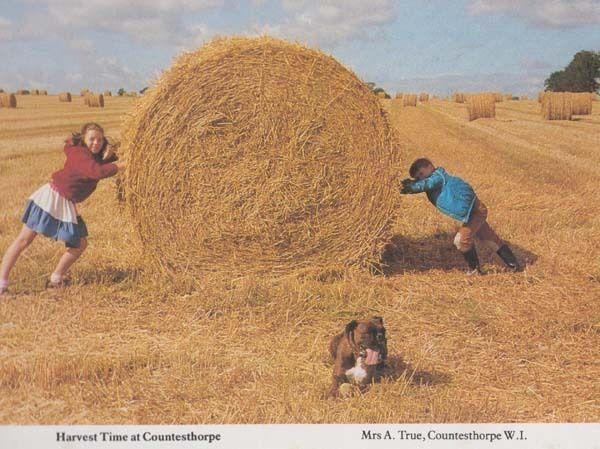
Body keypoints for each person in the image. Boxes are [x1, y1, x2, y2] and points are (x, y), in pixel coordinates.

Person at [0, 122, 124, 295]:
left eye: (100, 140)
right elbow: (96, 171)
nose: (96, 143)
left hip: (67, 203)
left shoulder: (93, 156)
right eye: (92, 139)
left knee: (79, 244)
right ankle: (2, 283)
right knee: (24, 240)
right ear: (83, 139)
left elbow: (103, 162)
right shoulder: (79, 153)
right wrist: (120, 166)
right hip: (52, 198)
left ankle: (56, 279)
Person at [400, 157, 520, 274]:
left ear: (430, 167)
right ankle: (515, 266)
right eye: (418, 177)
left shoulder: (437, 177)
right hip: (473, 212)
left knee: (461, 241)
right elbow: (423, 183)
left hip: (476, 211)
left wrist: (405, 187)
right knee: (490, 239)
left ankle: (474, 270)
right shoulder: (432, 178)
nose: (421, 177)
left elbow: (427, 184)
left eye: (421, 173)